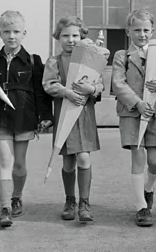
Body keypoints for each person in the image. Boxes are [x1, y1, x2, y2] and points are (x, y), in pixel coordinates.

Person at [0, 10, 53, 228]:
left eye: (16, 31)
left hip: (25, 117)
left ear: (24, 33)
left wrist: (46, 116)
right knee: (5, 161)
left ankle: (17, 195)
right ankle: (5, 207)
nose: (12, 36)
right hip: (0, 118)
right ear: (0, 33)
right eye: (7, 32)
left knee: (19, 163)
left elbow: (41, 92)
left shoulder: (33, 61)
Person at [111, 9, 156, 227]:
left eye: (146, 30)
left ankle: (148, 188)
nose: (141, 34)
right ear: (128, 31)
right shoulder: (122, 56)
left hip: (154, 114)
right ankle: (141, 207)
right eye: (137, 30)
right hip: (132, 113)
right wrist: (137, 103)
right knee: (138, 156)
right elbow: (117, 84)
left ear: (152, 31)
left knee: (154, 161)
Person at [43, 16, 108, 222]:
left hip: (84, 113)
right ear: (58, 37)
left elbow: (100, 85)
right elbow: (49, 84)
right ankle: (70, 200)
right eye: (65, 36)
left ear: (82, 37)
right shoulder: (54, 61)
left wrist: (93, 89)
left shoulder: (91, 58)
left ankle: (84, 203)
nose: (71, 40)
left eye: (75, 35)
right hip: (64, 113)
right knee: (69, 162)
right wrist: (65, 92)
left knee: (83, 157)